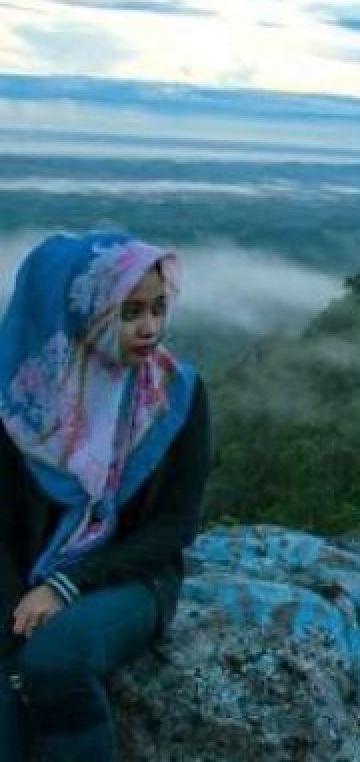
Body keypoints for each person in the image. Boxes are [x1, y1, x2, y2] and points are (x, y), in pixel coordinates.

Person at [0, 229, 211, 760]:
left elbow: (175, 527)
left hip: (132, 576)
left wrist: (67, 585)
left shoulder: (176, 395)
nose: (151, 328)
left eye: (159, 308)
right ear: (81, 313)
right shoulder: (20, 403)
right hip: (25, 573)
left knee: (52, 663)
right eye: (130, 311)